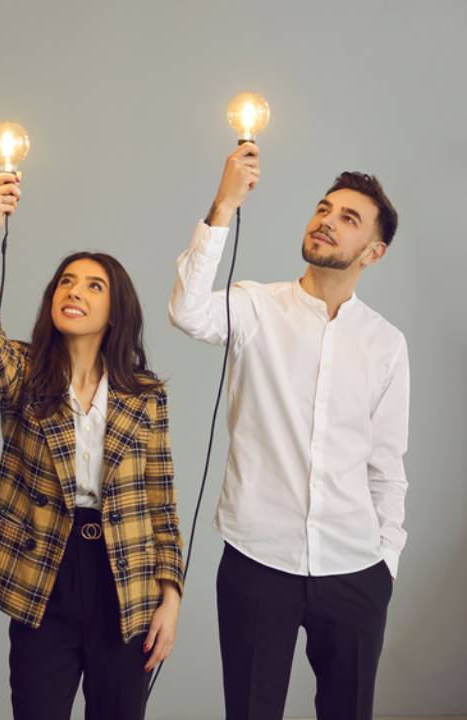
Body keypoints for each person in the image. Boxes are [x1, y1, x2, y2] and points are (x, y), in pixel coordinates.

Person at [169, 143, 409, 719]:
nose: (326, 220)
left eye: (348, 218)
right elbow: (187, 309)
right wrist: (223, 206)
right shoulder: (255, 307)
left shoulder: (386, 345)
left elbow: (386, 465)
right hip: (258, 561)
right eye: (324, 208)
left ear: (372, 252)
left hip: (355, 570)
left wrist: (386, 561)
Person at [0, 172, 183, 719]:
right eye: (66, 281)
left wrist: (170, 597)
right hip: (45, 574)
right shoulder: (25, 374)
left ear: (116, 310)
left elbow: (162, 503)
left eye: (92, 286)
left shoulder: (145, 396)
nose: (74, 291)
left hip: (125, 579)